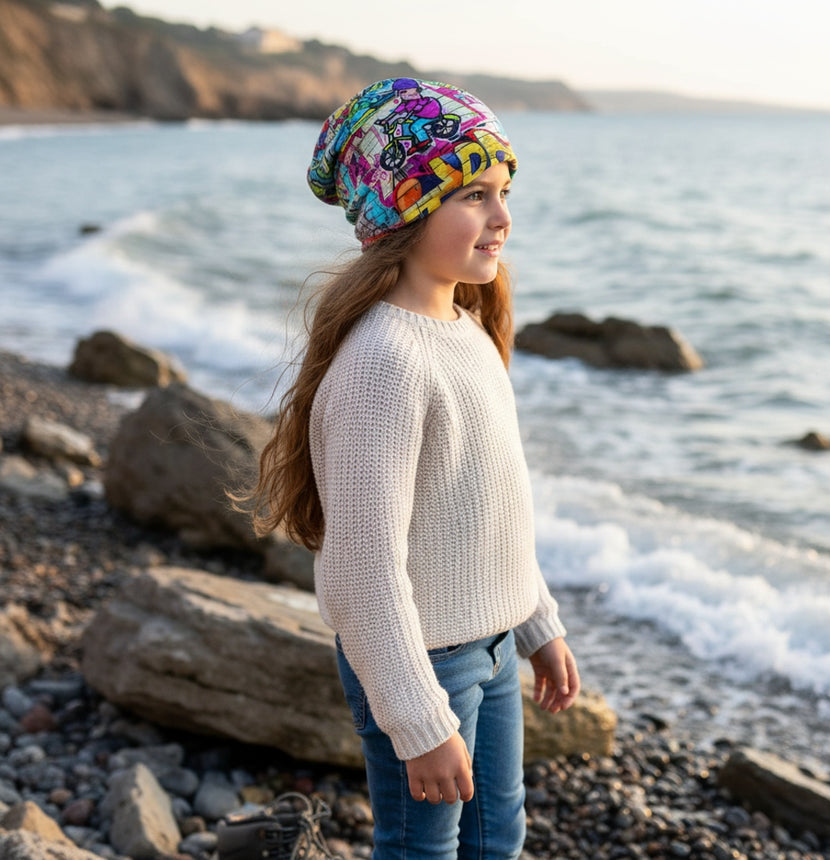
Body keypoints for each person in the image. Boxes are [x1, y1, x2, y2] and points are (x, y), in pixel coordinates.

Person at [252, 78, 580, 860]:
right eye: (473, 194)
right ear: (403, 211)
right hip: (421, 661)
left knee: (498, 837)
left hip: (492, 645)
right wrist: (418, 719)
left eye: (503, 192)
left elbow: (490, 511)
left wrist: (537, 623)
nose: (502, 218)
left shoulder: (466, 331)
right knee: (420, 848)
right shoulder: (383, 364)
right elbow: (364, 573)